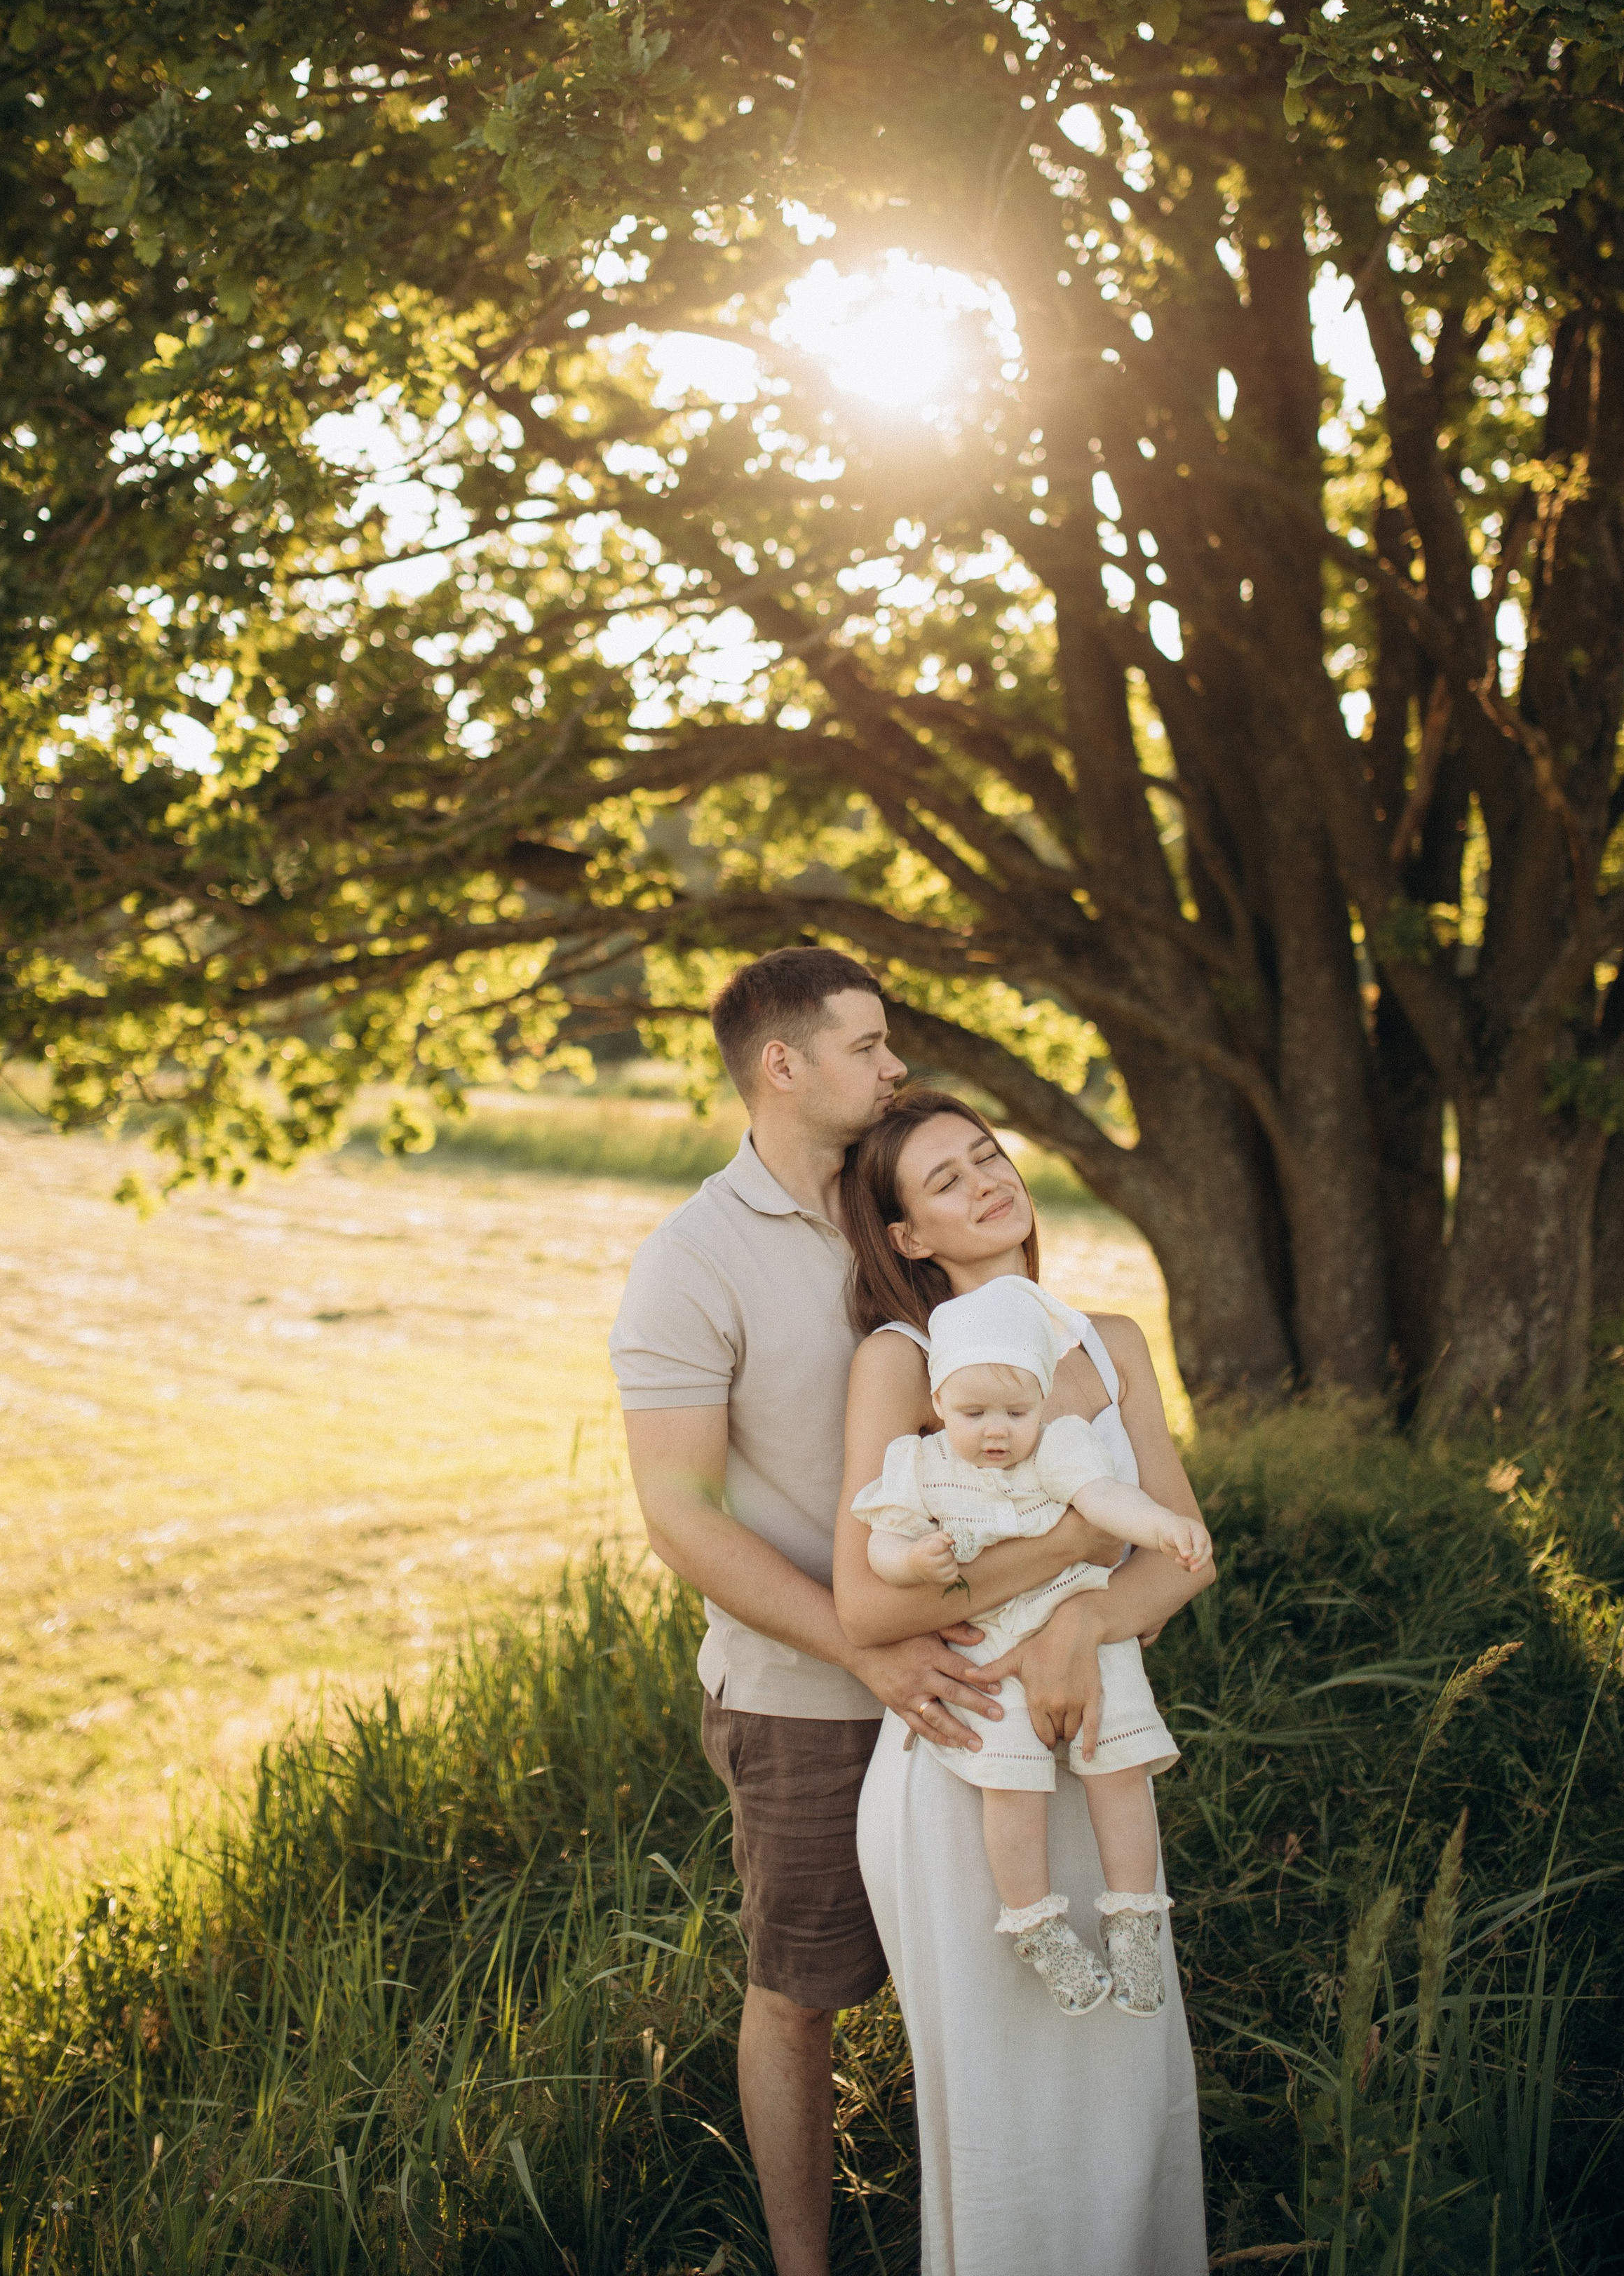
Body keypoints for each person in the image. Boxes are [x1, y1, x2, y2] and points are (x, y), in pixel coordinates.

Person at [610, 952, 1132, 2276]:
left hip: (1003, 1664)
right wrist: (869, 1648)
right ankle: (806, 2264)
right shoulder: (692, 1261)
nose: (896, 1066)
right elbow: (680, 1517)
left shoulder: (905, 1201)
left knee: (1008, 1978)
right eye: (868, 1045)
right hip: (807, 1693)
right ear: (784, 1066)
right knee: (804, 1994)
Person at [837, 1088, 1212, 2276]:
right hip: (967, 1748)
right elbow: (870, 1605)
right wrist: (1066, 1552)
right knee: (1008, 2109)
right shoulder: (902, 1361)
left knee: (1123, 2090)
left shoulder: (1113, 1342)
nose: (988, 1181)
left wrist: (1087, 1619)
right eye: (945, 1179)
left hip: (1095, 1735)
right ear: (909, 1236)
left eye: (989, 1155)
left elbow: (1187, 1553)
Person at [853, 1275, 1212, 2019]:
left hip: (1077, 1620)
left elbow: (1105, 1501)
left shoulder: (1056, 1448)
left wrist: (1161, 1527)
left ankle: (1134, 1917)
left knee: (1118, 1767)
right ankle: (1035, 1923)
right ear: (938, 1404)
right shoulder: (922, 1466)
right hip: (990, 1646)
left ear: (1042, 1404)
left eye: (1016, 1413)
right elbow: (880, 1546)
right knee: (1010, 1787)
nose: (997, 1431)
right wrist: (913, 1562)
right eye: (974, 1413)